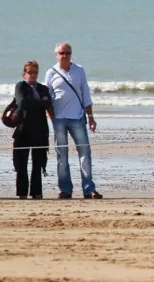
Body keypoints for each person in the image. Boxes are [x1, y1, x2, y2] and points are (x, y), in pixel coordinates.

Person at [44, 43, 103, 199]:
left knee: (85, 153)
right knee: (62, 155)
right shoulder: (51, 72)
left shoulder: (79, 70)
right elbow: (47, 98)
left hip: (77, 118)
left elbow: (86, 94)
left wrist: (91, 117)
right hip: (60, 120)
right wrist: (53, 118)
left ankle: (89, 188)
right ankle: (65, 189)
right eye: (62, 53)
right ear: (56, 54)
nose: (65, 55)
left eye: (68, 53)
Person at [12, 61, 51, 199]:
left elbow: (47, 103)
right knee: (21, 163)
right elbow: (22, 103)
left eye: (35, 72)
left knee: (38, 163)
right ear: (24, 74)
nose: (33, 75)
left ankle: (36, 192)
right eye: (30, 72)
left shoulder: (42, 88)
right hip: (23, 130)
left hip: (40, 130)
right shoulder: (20, 86)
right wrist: (40, 103)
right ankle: (22, 193)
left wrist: (34, 103)